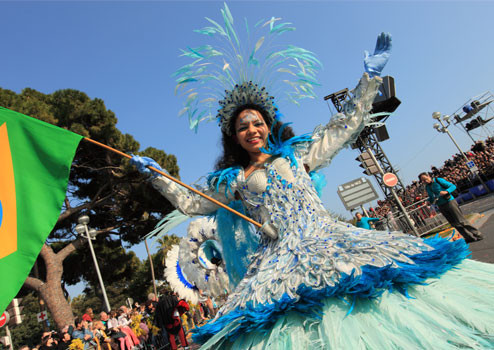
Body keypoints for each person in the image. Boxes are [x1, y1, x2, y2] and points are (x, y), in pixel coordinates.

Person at [131, 5, 494, 349]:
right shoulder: (234, 180)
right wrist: (158, 176)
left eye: (257, 122)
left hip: (329, 240)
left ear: (267, 126)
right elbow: (193, 202)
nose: (252, 130)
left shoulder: (298, 153)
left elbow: (345, 125)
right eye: (243, 127)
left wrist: (369, 79)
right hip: (276, 261)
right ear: (234, 136)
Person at [419, 172, 483, 243]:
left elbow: (452, 186)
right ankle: (468, 237)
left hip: (449, 202)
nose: (425, 181)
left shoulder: (438, 180)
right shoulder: (427, 187)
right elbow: (431, 197)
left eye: (425, 179)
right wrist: (428, 201)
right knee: (454, 223)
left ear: (428, 176)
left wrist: (446, 191)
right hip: (440, 205)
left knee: (461, 220)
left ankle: (477, 234)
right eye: (423, 181)